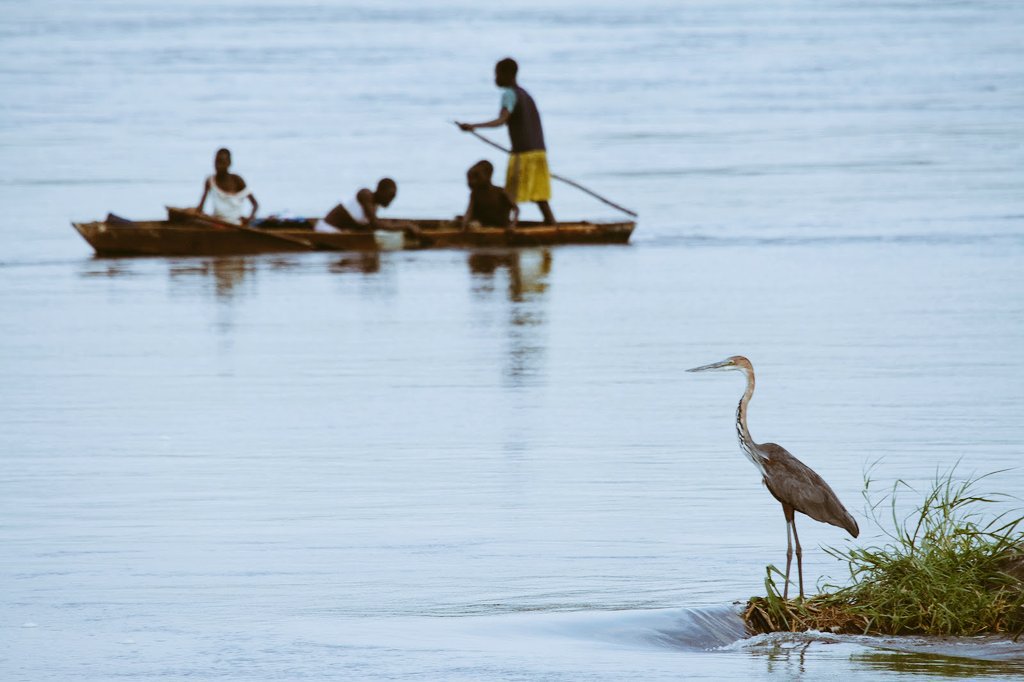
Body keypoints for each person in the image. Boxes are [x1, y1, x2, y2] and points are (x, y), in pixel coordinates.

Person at [457, 58, 555, 225]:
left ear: (507, 75)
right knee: (539, 194)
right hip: (538, 152)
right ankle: (550, 222)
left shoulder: (509, 94)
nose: (495, 78)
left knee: (510, 193)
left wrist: (474, 126)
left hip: (523, 154)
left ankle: (506, 224)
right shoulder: (525, 94)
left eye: (497, 74)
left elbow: (502, 120)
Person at [196, 148, 258, 224]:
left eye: (222, 163)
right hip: (216, 223)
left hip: (236, 224)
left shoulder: (237, 180)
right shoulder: (210, 180)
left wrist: (249, 219)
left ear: (229, 163)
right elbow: (200, 208)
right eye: (216, 162)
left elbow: (255, 204)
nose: (218, 166)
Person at [316, 178, 398, 232]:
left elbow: (368, 227)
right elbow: (375, 224)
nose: (391, 200)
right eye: (390, 195)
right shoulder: (366, 195)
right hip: (326, 229)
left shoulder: (375, 206)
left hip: (340, 233)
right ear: (380, 191)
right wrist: (403, 227)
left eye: (393, 196)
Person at [461, 160, 519, 229]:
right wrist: (464, 224)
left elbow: (516, 209)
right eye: (470, 179)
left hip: (501, 226)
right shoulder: (475, 194)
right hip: (482, 226)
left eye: (476, 177)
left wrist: (513, 224)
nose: (472, 181)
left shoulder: (500, 192)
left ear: (488, 175)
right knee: (474, 225)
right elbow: (469, 212)